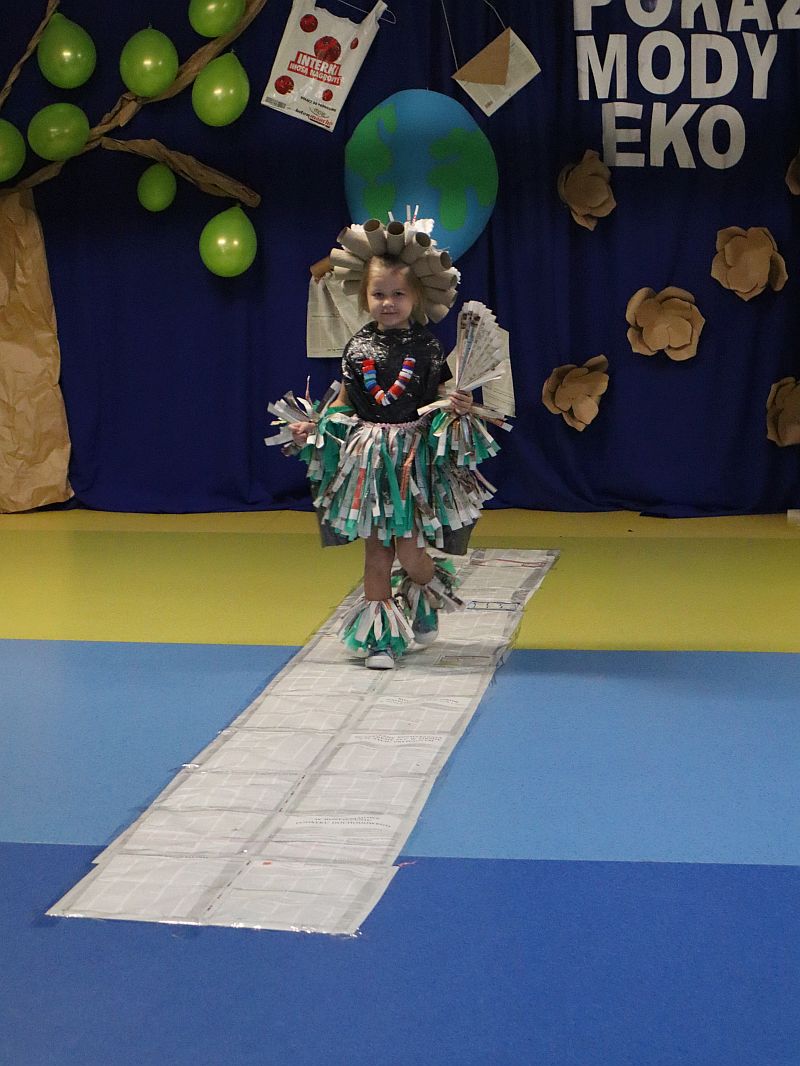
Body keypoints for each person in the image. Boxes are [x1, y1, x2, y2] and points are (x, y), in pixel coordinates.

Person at [287, 252, 489, 670]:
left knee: (411, 553)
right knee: (377, 553)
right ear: (365, 297)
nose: (388, 302)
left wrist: (458, 404)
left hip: (412, 463)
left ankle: (425, 589)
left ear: (415, 297)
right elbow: (343, 403)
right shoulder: (356, 347)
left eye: (398, 294)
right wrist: (315, 425)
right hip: (371, 464)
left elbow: (440, 398)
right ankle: (381, 640)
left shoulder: (427, 347)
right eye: (379, 294)